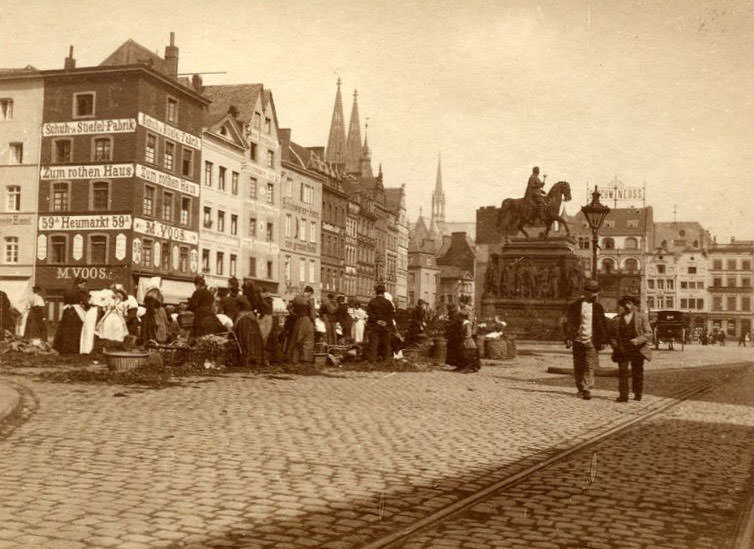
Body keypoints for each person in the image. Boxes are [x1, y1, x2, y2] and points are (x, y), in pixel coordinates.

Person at [565, 278, 608, 400]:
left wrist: (604, 340)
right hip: (578, 340)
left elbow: (602, 324)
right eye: (592, 291)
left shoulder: (598, 307)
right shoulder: (575, 306)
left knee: (589, 365)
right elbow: (569, 322)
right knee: (578, 366)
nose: (595, 294)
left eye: (596, 291)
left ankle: (587, 388)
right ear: (585, 291)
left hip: (591, 341)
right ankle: (580, 387)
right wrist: (569, 337)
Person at [609, 296, 652, 402]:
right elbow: (612, 335)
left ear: (634, 305)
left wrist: (637, 340)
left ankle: (638, 393)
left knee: (637, 372)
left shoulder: (641, 317)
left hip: (637, 349)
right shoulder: (617, 319)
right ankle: (623, 395)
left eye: (629, 303)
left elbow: (648, 333)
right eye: (624, 304)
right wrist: (615, 345)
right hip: (622, 349)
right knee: (623, 372)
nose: (626, 306)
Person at [53, 278, 88, 354]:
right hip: (75, 311)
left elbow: (65, 301)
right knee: (76, 329)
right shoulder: (80, 291)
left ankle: (62, 348)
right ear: (80, 283)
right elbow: (85, 302)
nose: (84, 286)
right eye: (84, 284)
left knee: (65, 328)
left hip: (67, 311)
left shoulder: (67, 290)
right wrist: (89, 307)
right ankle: (74, 348)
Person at [285, 286, 316, 363]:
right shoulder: (310, 300)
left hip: (298, 320)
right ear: (310, 292)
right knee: (308, 339)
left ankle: (294, 359)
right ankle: (306, 358)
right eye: (311, 294)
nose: (311, 295)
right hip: (307, 320)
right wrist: (314, 323)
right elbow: (312, 313)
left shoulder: (296, 298)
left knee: (296, 338)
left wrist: (294, 314)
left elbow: (288, 307)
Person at [235, 293, 267, 368]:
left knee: (245, 339)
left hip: (244, 324)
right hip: (251, 324)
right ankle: (254, 358)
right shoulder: (251, 315)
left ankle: (246, 358)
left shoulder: (241, 316)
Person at [366, 284, 395, 361]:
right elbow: (392, 314)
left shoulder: (372, 302)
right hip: (385, 326)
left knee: (374, 343)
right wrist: (385, 321)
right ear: (384, 292)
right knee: (386, 343)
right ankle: (386, 359)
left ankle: (372, 360)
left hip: (375, 325)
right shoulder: (388, 302)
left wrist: (377, 321)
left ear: (376, 292)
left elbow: (369, 313)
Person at [444, 303, 463, 369]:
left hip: (455, 334)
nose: (448, 310)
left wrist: (447, 323)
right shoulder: (454, 314)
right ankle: (452, 363)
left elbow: (453, 324)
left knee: (453, 349)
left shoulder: (454, 314)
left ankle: (454, 363)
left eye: (448, 308)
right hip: (454, 334)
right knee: (452, 348)